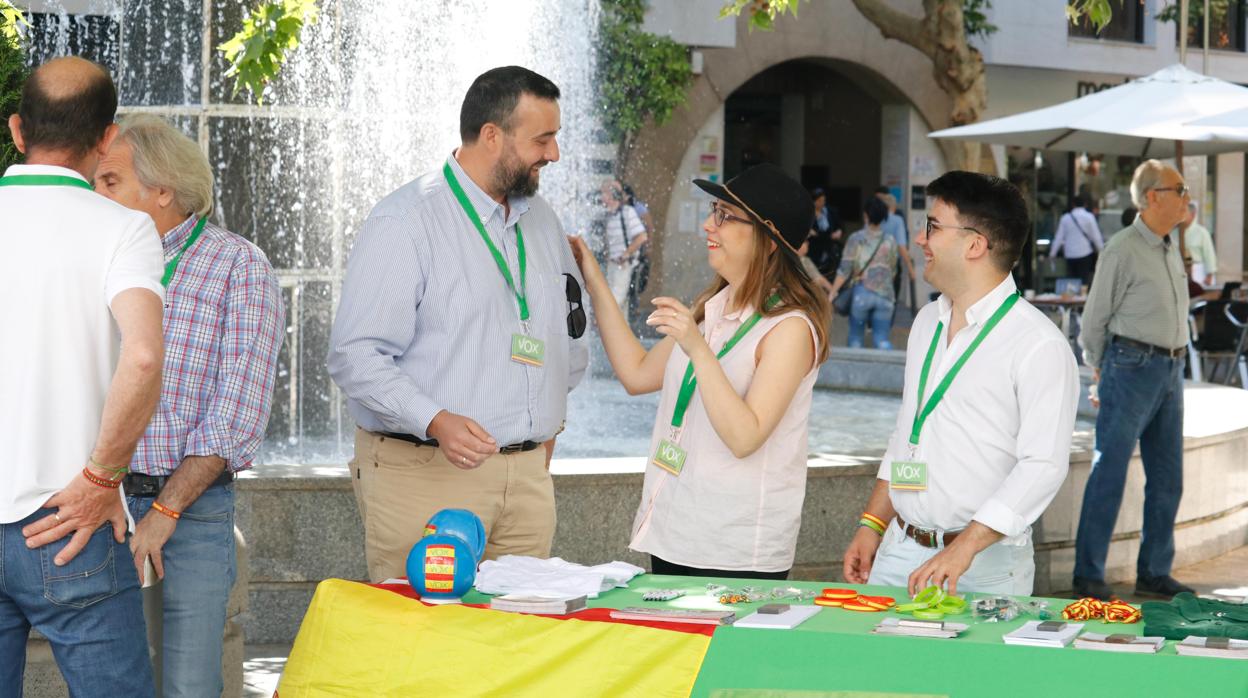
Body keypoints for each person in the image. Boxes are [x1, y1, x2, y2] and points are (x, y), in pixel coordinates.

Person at [327, 66, 588, 582]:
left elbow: (566, 327)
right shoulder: (405, 221)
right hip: (427, 477)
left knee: (515, 648)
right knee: (425, 646)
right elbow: (355, 355)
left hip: (527, 483)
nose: (554, 155)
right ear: (492, 136)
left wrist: (545, 427)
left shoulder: (542, 220)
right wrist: (436, 419)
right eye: (543, 139)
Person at [93, 114, 285, 697]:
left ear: (162, 192)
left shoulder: (238, 265)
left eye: (109, 182)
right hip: (101, 498)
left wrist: (167, 510)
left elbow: (237, 415)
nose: (94, 194)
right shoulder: (99, 259)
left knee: (187, 686)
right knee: (107, 680)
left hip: (192, 508)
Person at [568, 163, 830, 579]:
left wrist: (696, 346)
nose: (709, 225)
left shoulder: (790, 328)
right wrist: (594, 278)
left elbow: (745, 436)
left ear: (768, 239)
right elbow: (637, 374)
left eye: (725, 216)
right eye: (714, 210)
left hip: (733, 550)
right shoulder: (713, 308)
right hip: (673, 530)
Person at [0, 57, 162, 695]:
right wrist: (102, 477)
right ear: (106, 138)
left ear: (17, 130)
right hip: (70, 523)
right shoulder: (124, 228)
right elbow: (144, 356)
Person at [842, 171, 1079, 597]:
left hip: (982, 566)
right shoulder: (926, 322)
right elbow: (907, 432)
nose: (919, 239)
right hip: (899, 548)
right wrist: (872, 523)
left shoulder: (1038, 344)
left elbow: (1042, 466)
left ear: (975, 244)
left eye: (933, 226)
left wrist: (963, 549)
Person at [1074, 160, 1194, 601]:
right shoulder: (1122, 249)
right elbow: (1094, 320)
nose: (1186, 196)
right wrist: (1098, 367)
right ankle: (1088, 575)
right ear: (1151, 197)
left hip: (1169, 369)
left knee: (1168, 475)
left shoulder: (1167, 247)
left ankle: (1155, 571)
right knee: (1110, 470)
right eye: (1178, 188)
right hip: (1131, 366)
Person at [828, 197, 900, 349]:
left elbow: (845, 269)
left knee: (855, 339)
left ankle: (854, 373)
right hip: (886, 297)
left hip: (862, 295)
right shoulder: (891, 240)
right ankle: (888, 371)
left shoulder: (856, 238)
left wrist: (833, 292)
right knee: (882, 340)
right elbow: (893, 270)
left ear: (866, 215)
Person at [1049, 195, 1104, 286]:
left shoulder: (1065, 218)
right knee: (1084, 282)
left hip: (1070, 254)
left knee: (1071, 283)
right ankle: (1082, 298)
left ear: (1073, 205)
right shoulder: (1089, 217)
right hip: (1085, 253)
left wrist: (1052, 254)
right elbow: (1096, 237)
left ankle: (1072, 298)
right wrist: (1102, 252)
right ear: (1085, 205)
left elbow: (1058, 238)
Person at [875, 188, 917, 299]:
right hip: (891, 266)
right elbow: (901, 247)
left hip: (872, 265)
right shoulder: (897, 220)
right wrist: (910, 268)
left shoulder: (873, 219)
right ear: (893, 207)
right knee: (890, 301)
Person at [806, 187, 844, 276]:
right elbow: (811, 232)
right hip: (814, 249)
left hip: (830, 247)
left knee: (830, 271)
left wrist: (839, 231)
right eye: (819, 201)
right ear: (813, 201)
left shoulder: (830, 211)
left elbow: (840, 225)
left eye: (823, 200)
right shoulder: (808, 213)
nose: (822, 203)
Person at [1181, 201, 1216, 287]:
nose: (1181, 216)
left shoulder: (1201, 232)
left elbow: (1209, 254)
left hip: (1199, 271)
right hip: (1181, 270)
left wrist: (1209, 275)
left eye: (1184, 213)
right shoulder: (1174, 232)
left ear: (1192, 215)